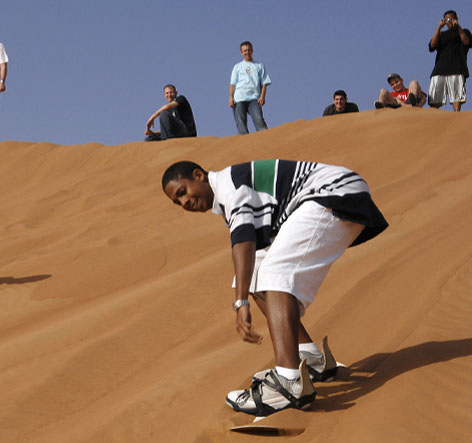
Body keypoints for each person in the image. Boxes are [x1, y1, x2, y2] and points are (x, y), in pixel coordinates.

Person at [161, 159, 388, 416]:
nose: (184, 203)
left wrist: (241, 304)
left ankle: (289, 381)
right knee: (256, 275)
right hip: (327, 196)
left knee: (275, 273)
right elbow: (253, 256)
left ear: (198, 175)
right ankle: (310, 359)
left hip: (332, 192)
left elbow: (243, 242)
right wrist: (244, 291)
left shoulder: (230, 186)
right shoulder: (230, 195)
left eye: (182, 192)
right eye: (177, 202)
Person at [428, 10, 472, 112]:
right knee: (435, 98)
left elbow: (466, 42)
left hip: (457, 68)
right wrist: (439, 28)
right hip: (439, 69)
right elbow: (432, 46)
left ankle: (456, 116)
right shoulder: (441, 35)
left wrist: (459, 27)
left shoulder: (464, 32)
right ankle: (433, 119)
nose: (449, 21)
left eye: (451, 19)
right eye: (447, 19)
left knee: (457, 97)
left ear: (456, 19)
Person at [229, 41, 271, 135]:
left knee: (259, 120)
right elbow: (233, 84)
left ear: (252, 50)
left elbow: (264, 82)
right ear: (241, 52)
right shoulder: (237, 67)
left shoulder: (259, 65)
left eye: (248, 50)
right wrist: (231, 97)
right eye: (244, 51)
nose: (247, 52)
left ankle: (266, 140)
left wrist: (262, 96)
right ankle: (244, 144)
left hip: (254, 98)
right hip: (239, 98)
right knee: (241, 124)